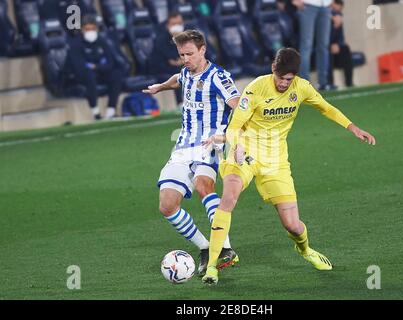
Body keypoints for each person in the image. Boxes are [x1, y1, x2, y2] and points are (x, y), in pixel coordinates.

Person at [202, 48, 376, 284]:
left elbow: (325, 107)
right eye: (281, 78)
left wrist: (353, 127)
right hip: (244, 152)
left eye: (289, 79)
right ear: (273, 69)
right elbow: (234, 126)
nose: (284, 83)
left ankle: (305, 250)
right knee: (229, 198)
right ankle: (212, 267)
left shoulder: (301, 87)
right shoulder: (256, 88)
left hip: (276, 161)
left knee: (293, 226)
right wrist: (237, 145)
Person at [143, 30, 241, 275]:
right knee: (166, 205)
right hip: (183, 145)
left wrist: (233, 136)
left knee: (203, 186)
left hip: (210, 144)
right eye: (181, 54)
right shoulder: (186, 72)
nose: (185, 59)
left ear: (203, 50)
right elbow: (179, 78)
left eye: (189, 54)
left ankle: (225, 248)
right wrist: (161, 87)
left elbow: (238, 104)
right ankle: (206, 247)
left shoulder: (218, 76)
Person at [65, 15, 124, 120]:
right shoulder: (75, 44)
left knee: (116, 74)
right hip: (83, 76)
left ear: (97, 29)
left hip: (100, 72)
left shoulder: (102, 41)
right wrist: (98, 66)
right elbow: (79, 66)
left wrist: (96, 67)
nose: (90, 32)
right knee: (89, 75)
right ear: (82, 30)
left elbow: (110, 63)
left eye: (92, 29)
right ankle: (95, 112)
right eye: (87, 29)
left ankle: (111, 110)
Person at [292, 0, 333, 91]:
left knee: (323, 46)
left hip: (325, 5)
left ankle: (323, 82)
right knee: (306, 45)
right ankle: (304, 84)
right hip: (308, 5)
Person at [328, 0, 353, 88]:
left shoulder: (339, 17)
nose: (338, 13)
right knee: (326, 52)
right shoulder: (324, 17)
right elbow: (320, 38)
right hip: (325, 46)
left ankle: (349, 82)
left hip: (335, 46)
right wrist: (330, 44)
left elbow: (341, 37)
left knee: (345, 48)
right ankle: (329, 83)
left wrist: (338, 44)